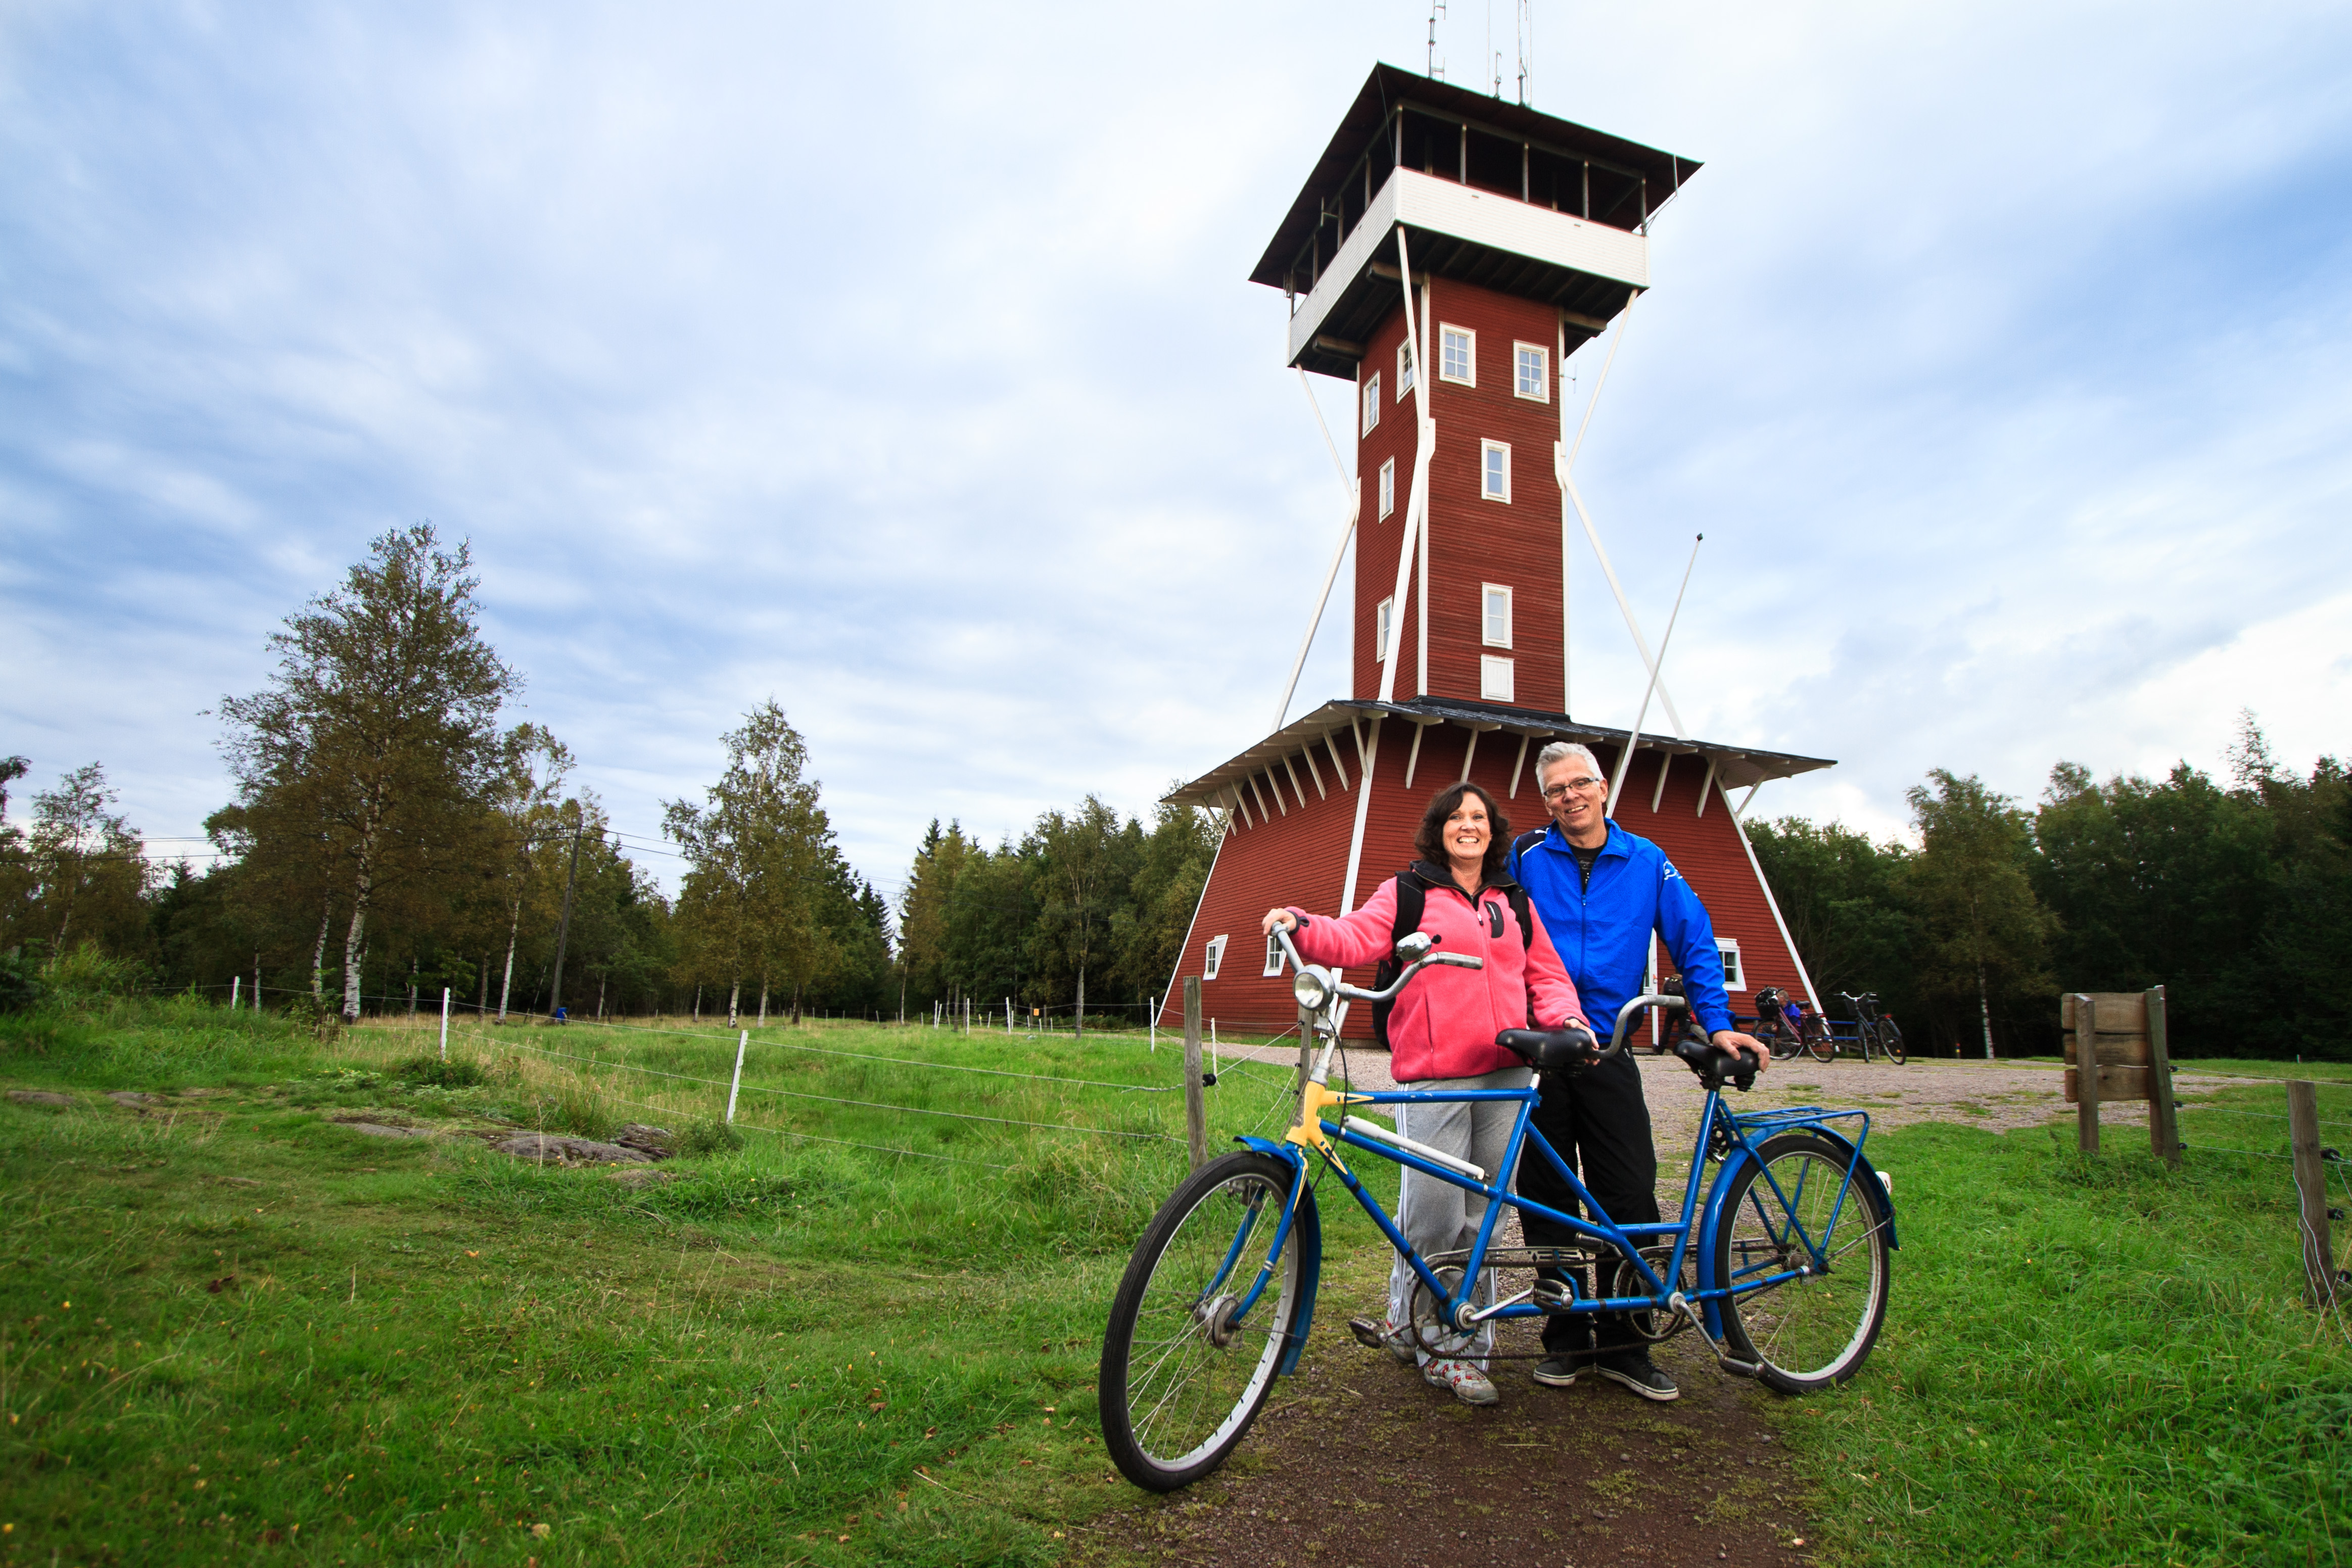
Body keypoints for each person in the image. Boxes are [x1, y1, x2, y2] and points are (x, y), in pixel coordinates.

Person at [1262, 781, 1589, 1407]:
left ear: (1492, 830)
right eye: (1456, 816)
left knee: (1483, 1218)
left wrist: (1568, 1019)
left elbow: (1543, 973)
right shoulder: (1408, 892)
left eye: (1479, 816)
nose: (1469, 825)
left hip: (1507, 1074)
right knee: (1432, 1213)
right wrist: (1300, 925)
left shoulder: (1513, 900)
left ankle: (1460, 1346)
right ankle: (1412, 1320)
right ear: (1439, 828)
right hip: (1436, 1074)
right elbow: (1355, 937)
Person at [1507, 741, 1769, 1403]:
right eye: (1555, 790)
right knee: (1546, 1197)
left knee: (1628, 1190)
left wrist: (1715, 1021)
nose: (1569, 796)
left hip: (1609, 1044)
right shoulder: (1526, 858)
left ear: (1601, 788)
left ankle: (1627, 1344)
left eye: (1578, 784)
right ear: (1545, 802)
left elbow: (1694, 939)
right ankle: (1567, 1338)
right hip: (1543, 1048)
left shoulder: (1647, 860)